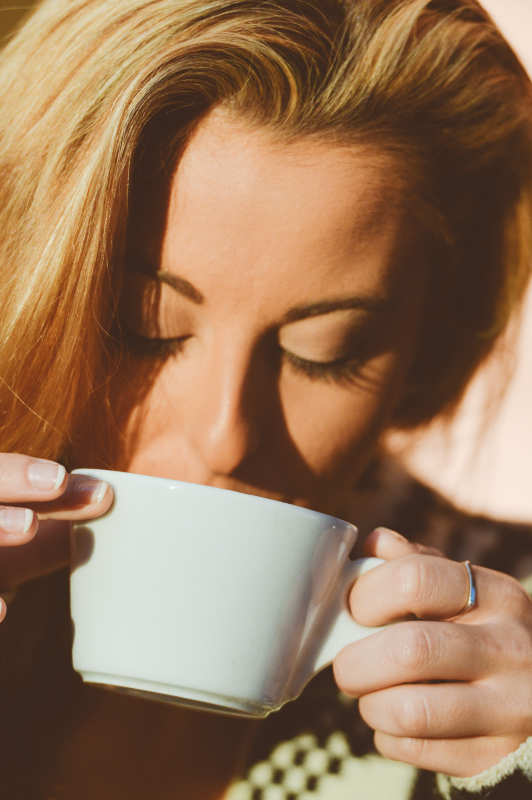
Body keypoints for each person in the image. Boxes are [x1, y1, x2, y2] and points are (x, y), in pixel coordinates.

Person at [1, 0, 532, 797]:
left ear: (425, 347)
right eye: (141, 329)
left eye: (325, 353)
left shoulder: (508, 647)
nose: (226, 436)